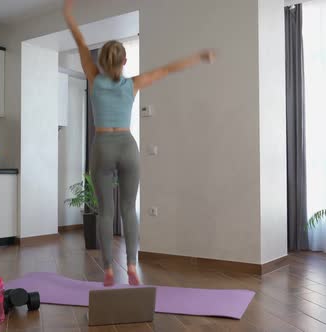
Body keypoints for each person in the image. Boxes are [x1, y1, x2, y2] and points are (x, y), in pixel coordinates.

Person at [63, 0, 215, 287]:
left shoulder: (93, 78)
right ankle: (131, 264)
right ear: (124, 62)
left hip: (103, 145)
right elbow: (168, 69)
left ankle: (108, 269)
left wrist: (69, 13)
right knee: (129, 208)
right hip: (127, 146)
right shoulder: (132, 83)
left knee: (106, 212)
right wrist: (199, 57)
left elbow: (81, 41)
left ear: (101, 61)